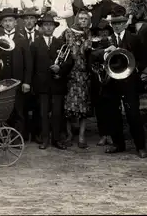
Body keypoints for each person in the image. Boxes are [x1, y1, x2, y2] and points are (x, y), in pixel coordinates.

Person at [91, 6, 147, 158]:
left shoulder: (134, 38)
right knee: (113, 115)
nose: (117, 26)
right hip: (111, 83)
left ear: (125, 23)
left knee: (133, 115)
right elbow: (92, 55)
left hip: (129, 82)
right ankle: (118, 144)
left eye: (120, 23)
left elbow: (143, 60)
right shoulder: (106, 40)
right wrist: (105, 52)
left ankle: (140, 147)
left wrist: (134, 70)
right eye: (114, 23)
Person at [31, 13, 73, 150]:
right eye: (45, 25)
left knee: (57, 113)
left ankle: (56, 139)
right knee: (43, 114)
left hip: (57, 83)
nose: (48, 28)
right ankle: (44, 140)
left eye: (50, 25)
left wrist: (59, 68)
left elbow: (69, 62)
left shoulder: (60, 43)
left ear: (54, 28)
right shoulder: (35, 44)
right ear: (41, 27)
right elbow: (31, 65)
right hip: (42, 84)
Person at [0, 8, 33, 140]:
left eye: (10, 20)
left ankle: (18, 138)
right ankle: (5, 137)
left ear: (16, 22)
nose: (7, 23)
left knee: (19, 109)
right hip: (3, 80)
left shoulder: (22, 39)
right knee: (5, 109)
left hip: (19, 80)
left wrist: (27, 81)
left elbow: (28, 63)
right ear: (1, 23)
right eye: (5, 21)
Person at [61, 11, 93, 148]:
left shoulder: (90, 34)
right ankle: (69, 135)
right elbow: (71, 51)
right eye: (80, 18)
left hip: (84, 74)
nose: (83, 21)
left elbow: (88, 50)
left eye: (86, 19)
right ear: (76, 19)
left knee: (83, 107)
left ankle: (81, 136)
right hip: (71, 74)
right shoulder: (68, 32)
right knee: (68, 107)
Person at [89, 19, 115, 146]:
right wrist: (105, 51)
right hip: (98, 81)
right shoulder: (94, 44)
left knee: (111, 108)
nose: (103, 34)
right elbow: (92, 56)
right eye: (101, 32)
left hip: (111, 81)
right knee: (100, 110)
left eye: (105, 31)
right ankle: (103, 135)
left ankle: (111, 134)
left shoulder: (113, 42)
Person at [18, 7, 41, 142]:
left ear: (36, 20)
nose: (29, 21)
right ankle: (24, 133)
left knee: (38, 106)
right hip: (24, 76)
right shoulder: (19, 35)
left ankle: (37, 133)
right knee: (24, 105)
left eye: (32, 18)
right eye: (26, 18)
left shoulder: (40, 34)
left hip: (37, 76)